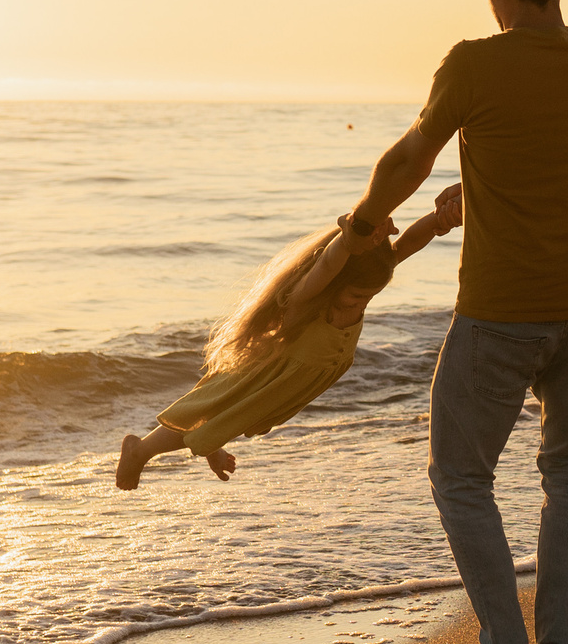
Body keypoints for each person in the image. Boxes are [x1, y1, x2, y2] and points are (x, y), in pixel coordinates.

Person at [341, 0, 568, 644]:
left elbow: (408, 155)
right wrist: (482, 191)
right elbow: (555, 152)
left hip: (503, 312)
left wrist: (363, 226)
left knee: (460, 476)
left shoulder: (472, 65)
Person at [114, 190, 462, 491]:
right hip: (265, 375)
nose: (361, 304)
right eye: (354, 297)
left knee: (232, 420)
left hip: (283, 386)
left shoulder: (365, 277)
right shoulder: (306, 300)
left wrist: (437, 220)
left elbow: (407, 244)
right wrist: (349, 237)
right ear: (334, 285)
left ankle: (211, 444)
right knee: (205, 412)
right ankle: (140, 450)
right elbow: (328, 265)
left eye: (368, 298)